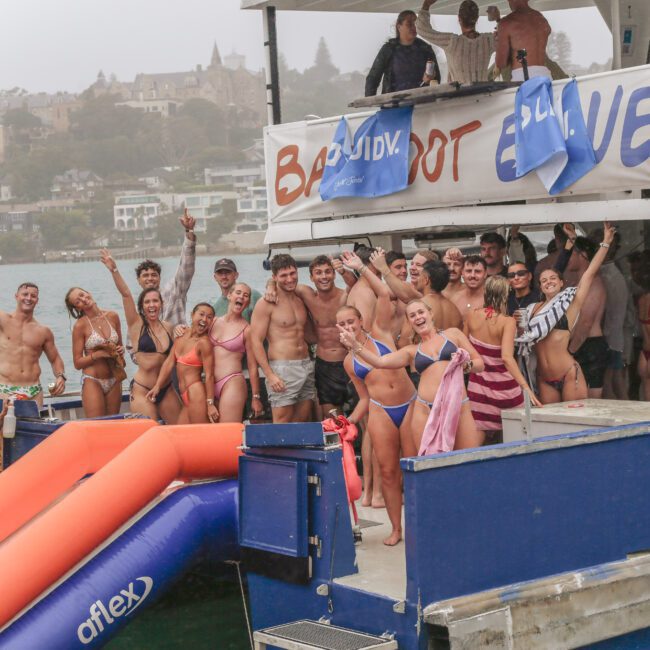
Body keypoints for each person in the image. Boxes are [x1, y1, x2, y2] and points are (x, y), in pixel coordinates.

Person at [337, 252, 418, 546]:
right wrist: (345, 424)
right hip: (381, 411)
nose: (348, 327)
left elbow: (384, 292)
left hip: (409, 404)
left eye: (351, 322)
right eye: (342, 325)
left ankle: (420, 525)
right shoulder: (349, 362)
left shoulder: (380, 333)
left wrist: (361, 269)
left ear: (361, 321)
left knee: (413, 466)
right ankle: (396, 529)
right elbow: (363, 398)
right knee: (387, 471)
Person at [340, 298, 485, 455]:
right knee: (429, 466)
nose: (418, 317)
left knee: (469, 459)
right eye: (412, 316)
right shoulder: (411, 351)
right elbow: (380, 361)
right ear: (409, 322)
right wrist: (355, 346)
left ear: (430, 313)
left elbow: (480, 363)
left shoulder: (453, 334)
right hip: (425, 411)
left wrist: (466, 365)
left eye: (421, 312)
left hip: (459, 406)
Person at [517, 222, 615, 404]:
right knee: (552, 426)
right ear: (540, 286)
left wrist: (606, 242)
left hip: (569, 373)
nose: (549, 282)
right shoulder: (532, 309)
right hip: (543, 378)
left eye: (553, 278)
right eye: (544, 280)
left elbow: (589, 273)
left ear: (562, 283)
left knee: (577, 423)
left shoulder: (570, 302)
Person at [100, 249, 181, 424]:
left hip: (165, 388)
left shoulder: (169, 328)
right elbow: (126, 294)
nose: (151, 305)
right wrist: (114, 270)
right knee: (150, 432)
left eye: (155, 301)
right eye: (147, 302)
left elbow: (171, 360)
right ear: (142, 306)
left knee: (180, 429)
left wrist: (184, 332)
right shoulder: (136, 325)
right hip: (142, 389)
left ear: (161, 304)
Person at [465, 276, 541, 442]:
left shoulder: (471, 315)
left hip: (478, 387)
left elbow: (465, 349)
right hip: (504, 389)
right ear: (506, 295)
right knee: (512, 441)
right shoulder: (507, 322)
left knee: (477, 443)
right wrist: (526, 387)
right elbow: (507, 358)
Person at [250, 254, 315, 423]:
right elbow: (255, 341)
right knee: (282, 422)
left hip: (306, 365)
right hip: (283, 368)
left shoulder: (300, 299)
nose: (289, 279)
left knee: (302, 420)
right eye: (283, 275)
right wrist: (270, 375)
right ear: (274, 277)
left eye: (292, 273)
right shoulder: (266, 303)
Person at [147, 303, 218, 423]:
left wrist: (210, 404)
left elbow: (209, 375)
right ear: (192, 315)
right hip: (184, 394)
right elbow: (169, 362)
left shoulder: (204, 343)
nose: (204, 319)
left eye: (209, 317)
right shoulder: (181, 334)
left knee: (199, 434)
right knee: (180, 433)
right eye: (201, 314)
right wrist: (157, 386)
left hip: (196, 392)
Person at [560, 229, 608, 399]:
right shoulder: (575, 281)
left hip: (589, 345)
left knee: (591, 398)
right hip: (578, 343)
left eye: (572, 254)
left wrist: (569, 351)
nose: (569, 259)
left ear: (582, 255)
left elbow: (585, 323)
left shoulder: (594, 284)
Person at [0, 283, 66, 406]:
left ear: (37, 300)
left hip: (33, 391)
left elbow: (55, 359)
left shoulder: (43, 331)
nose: (29, 298)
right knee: (4, 425)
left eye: (33, 296)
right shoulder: (3, 319)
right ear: (16, 296)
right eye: (25, 294)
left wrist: (60, 376)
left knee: (34, 425)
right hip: (4, 389)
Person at [65, 287, 125, 418]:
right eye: (78, 301)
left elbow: (120, 346)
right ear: (78, 308)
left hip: (114, 378)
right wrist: (96, 355)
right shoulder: (80, 326)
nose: (83, 299)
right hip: (93, 380)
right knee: (96, 425)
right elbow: (77, 363)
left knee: (113, 424)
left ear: (88, 292)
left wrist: (121, 350)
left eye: (82, 294)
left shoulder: (113, 316)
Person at [209, 284, 263, 423]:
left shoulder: (247, 329)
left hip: (232, 382)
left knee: (226, 432)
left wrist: (255, 397)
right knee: (210, 433)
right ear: (229, 296)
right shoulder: (213, 321)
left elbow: (252, 366)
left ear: (247, 302)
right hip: (209, 384)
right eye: (238, 293)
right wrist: (179, 329)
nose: (241, 297)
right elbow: (193, 337)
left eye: (246, 295)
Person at [133, 209, 197, 327]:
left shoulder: (174, 291)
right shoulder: (140, 309)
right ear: (138, 280)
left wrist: (189, 231)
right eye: (145, 276)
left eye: (154, 275)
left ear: (159, 278)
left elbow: (186, 267)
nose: (150, 278)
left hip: (178, 342)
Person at [587, 226, 630, 400]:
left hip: (609, 338)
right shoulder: (614, 274)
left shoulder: (607, 276)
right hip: (615, 337)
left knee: (609, 388)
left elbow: (606, 312)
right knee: (617, 384)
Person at [417, 0, 496, 84]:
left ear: (459, 19)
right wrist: (498, 19)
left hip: (459, 95)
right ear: (477, 18)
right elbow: (508, 35)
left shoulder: (452, 42)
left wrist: (426, 5)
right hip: (483, 94)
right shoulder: (488, 41)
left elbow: (422, 29)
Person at [365, 10, 441, 96]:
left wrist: (430, 79)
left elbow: (436, 78)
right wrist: (370, 100)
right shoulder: (389, 49)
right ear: (399, 26)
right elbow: (373, 77)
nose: (414, 27)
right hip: (393, 104)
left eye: (416, 24)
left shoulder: (426, 49)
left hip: (421, 102)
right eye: (409, 24)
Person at [495, 0, 552, 82]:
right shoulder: (541, 19)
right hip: (546, 76)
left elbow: (501, 63)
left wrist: (498, 42)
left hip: (524, 77)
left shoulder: (507, 23)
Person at [212, 257, 262, 323]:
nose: (224, 277)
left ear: (236, 275)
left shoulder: (253, 295)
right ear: (215, 277)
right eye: (220, 273)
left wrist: (271, 285)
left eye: (227, 273)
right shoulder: (215, 308)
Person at [442, 248, 467, 315]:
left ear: (463, 268)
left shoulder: (471, 290)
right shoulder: (435, 291)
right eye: (448, 264)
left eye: (456, 264)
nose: (451, 268)